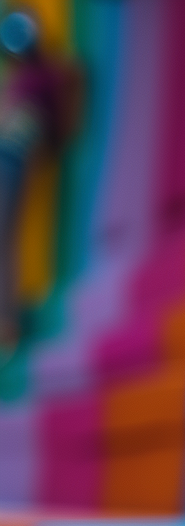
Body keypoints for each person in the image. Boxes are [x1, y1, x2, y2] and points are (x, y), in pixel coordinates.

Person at [0, 8, 77, 363]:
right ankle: (9, 322)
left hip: (13, 156)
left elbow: (55, 127)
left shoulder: (43, 75)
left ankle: (8, 325)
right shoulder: (23, 77)